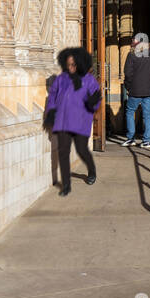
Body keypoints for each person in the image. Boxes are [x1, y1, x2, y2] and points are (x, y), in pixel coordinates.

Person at [44, 48, 101, 196]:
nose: (70, 67)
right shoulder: (61, 79)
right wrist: (50, 112)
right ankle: (66, 185)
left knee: (81, 149)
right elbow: (52, 97)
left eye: (73, 64)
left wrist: (92, 102)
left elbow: (96, 98)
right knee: (63, 152)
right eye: (68, 64)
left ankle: (91, 170)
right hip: (63, 121)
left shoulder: (89, 80)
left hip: (81, 121)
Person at [123, 33, 150, 147]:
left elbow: (127, 74)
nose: (132, 42)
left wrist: (128, 87)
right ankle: (146, 140)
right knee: (147, 114)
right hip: (149, 90)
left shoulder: (132, 55)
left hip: (135, 90)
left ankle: (131, 138)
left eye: (133, 40)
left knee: (130, 112)